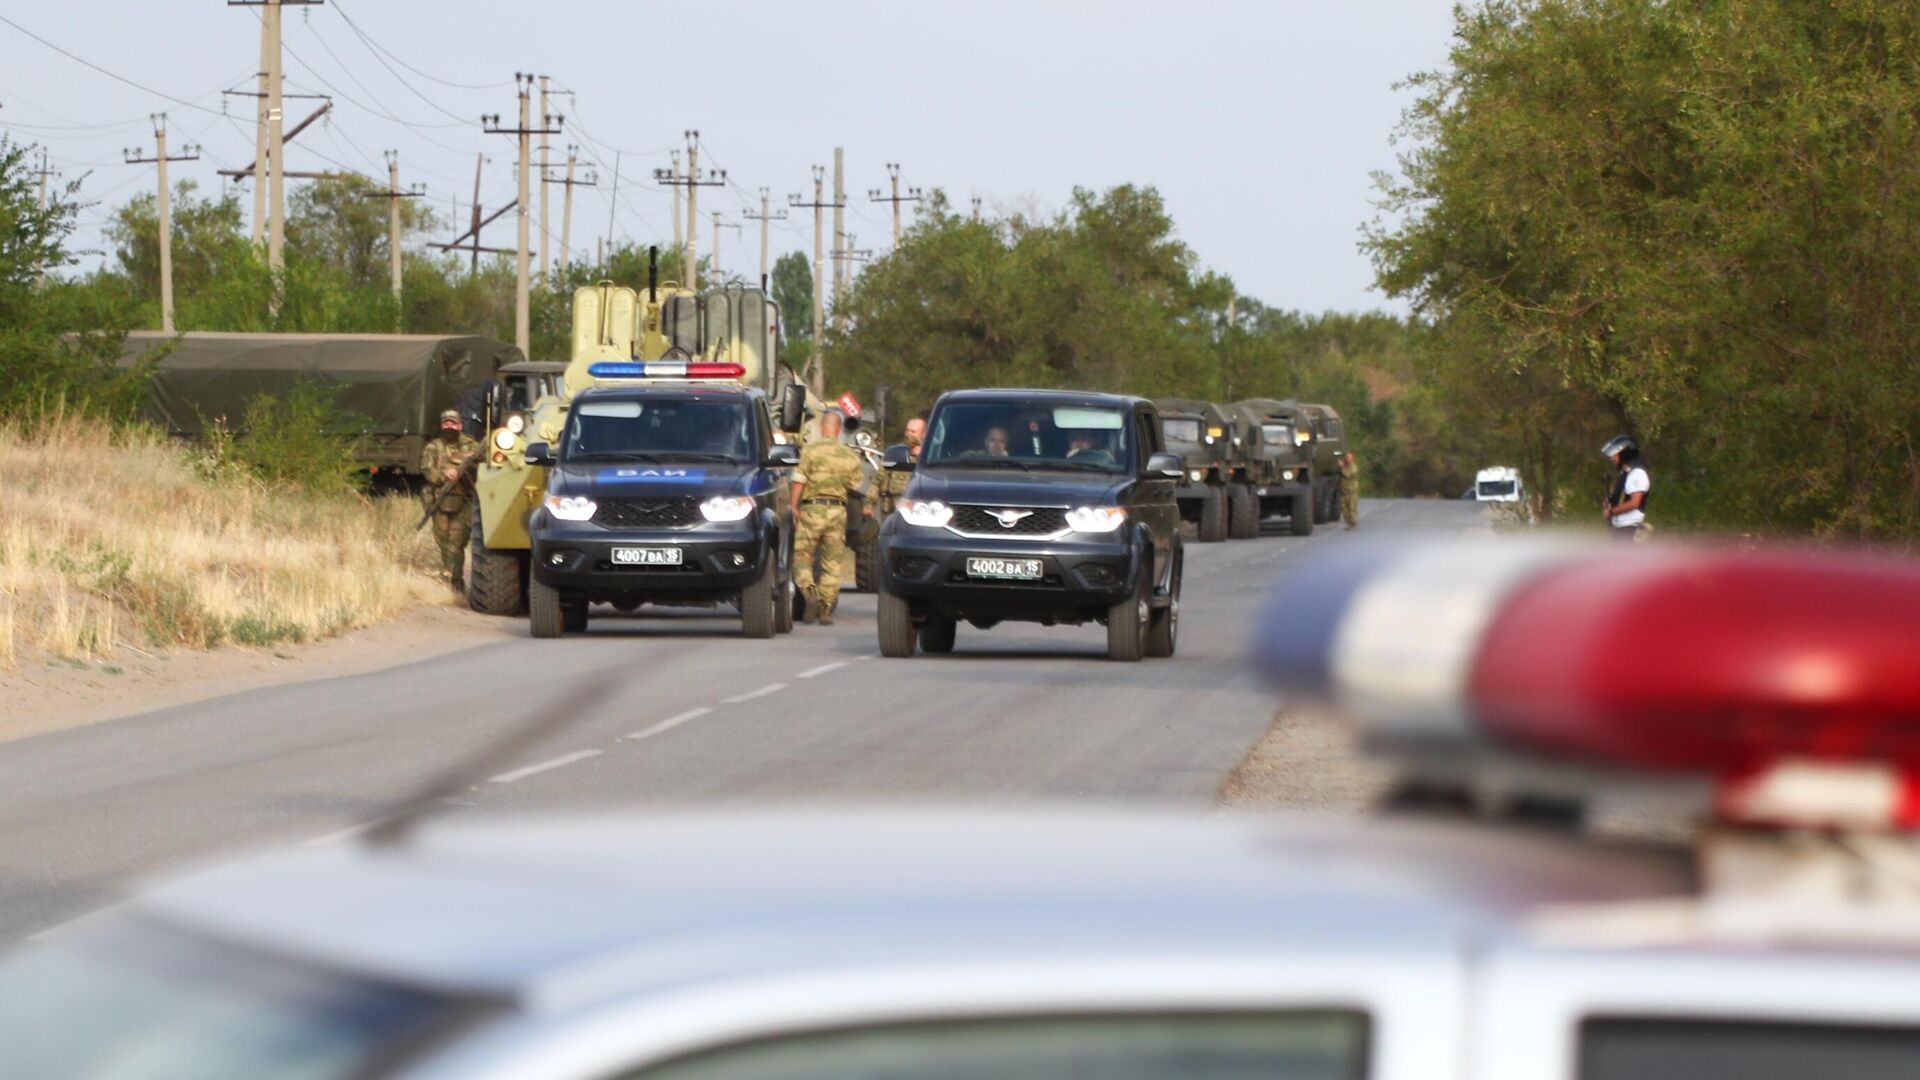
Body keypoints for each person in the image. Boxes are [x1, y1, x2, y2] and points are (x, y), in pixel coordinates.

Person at [790, 411, 865, 625]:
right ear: (839, 429)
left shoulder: (810, 450)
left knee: (803, 556)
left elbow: (799, 479)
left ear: (822, 427)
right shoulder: (849, 455)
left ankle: (810, 594)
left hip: (813, 509)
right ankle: (826, 609)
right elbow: (856, 486)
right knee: (832, 563)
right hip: (837, 511)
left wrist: (794, 506)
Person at [419, 409, 480, 591]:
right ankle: (449, 578)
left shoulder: (471, 445)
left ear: (460, 425)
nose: (449, 426)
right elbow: (426, 470)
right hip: (441, 500)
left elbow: (488, 461)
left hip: (464, 500)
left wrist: (472, 460)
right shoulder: (433, 447)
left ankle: (456, 582)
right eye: (446, 423)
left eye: (453, 423)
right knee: (443, 542)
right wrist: (443, 475)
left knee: (457, 544)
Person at [1601, 434, 1650, 542]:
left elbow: (1634, 503)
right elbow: (1623, 498)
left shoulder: (1637, 473)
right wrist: (1610, 502)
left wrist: (1612, 512)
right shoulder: (1626, 473)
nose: (1611, 458)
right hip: (1620, 529)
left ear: (1624, 453)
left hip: (1630, 531)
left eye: (1614, 454)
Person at [874, 417, 925, 518]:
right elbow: (878, 479)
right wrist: (869, 504)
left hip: (917, 509)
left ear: (923, 434)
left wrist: (922, 455)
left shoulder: (931, 454)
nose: (908, 434)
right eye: (907, 430)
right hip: (891, 507)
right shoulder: (895, 452)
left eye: (913, 432)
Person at [1339, 451, 1360, 528]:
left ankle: (1353, 522)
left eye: (1350, 458)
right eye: (1347, 458)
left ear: (1353, 459)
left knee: (1352, 508)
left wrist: (1341, 467)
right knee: (1344, 508)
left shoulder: (1353, 467)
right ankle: (1348, 522)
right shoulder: (1346, 466)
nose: (1348, 459)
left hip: (1352, 492)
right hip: (1344, 491)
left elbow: (1347, 474)